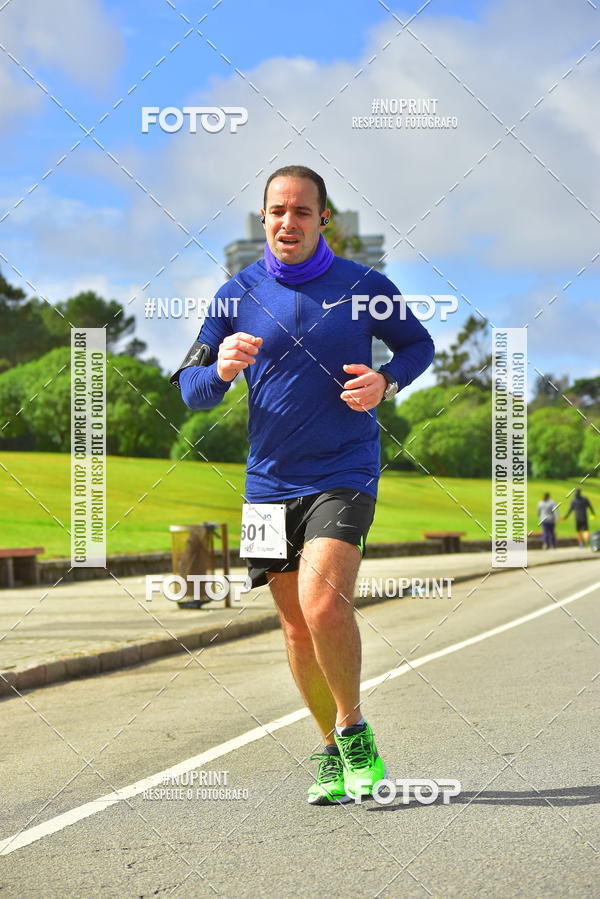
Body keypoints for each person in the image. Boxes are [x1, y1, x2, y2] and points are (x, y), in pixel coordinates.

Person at [170, 165, 434, 805]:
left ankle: (354, 730)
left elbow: (418, 345)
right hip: (267, 481)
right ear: (264, 219)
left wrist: (386, 382)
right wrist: (222, 370)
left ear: (323, 221)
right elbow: (190, 386)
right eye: (276, 211)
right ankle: (328, 752)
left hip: (343, 469)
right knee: (294, 627)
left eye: (301, 211)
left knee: (323, 606)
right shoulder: (235, 294)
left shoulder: (365, 286)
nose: (288, 222)